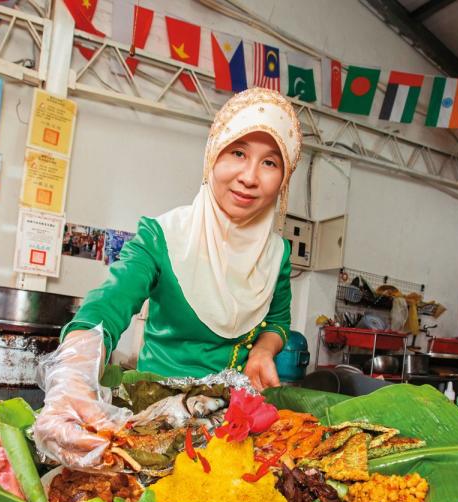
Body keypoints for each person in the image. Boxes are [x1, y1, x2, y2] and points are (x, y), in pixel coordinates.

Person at [57, 88, 300, 392]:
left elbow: (277, 321)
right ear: (213, 153)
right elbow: (109, 303)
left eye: (270, 163)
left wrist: (264, 350)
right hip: (158, 410)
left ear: (284, 180)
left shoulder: (276, 254)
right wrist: (74, 371)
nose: (250, 177)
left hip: (236, 417)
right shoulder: (162, 237)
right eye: (238, 152)